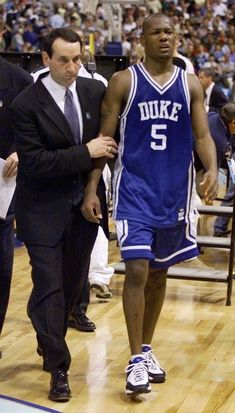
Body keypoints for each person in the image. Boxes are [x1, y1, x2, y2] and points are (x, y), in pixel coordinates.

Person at [81, 13, 218, 396]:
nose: (164, 38)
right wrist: (93, 188)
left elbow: (203, 134)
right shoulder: (124, 81)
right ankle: (135, 360)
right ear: (141, 39)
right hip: (133, 193)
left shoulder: (190, 84)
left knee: (158, 273)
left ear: (177, 39)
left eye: (169, 32)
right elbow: (105, 141)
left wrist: (211, 167)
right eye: (156, 32)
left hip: (173, 194)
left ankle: (145, 348)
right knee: (137, 269)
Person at [10, 28, 117, 402]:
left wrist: (92, 184)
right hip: (39, 209)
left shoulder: (93, 92)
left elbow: (106, 147)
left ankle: (44, 320)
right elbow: (36, 163)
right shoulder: (25, 104)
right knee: (52, 288)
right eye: (64, 61)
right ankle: (59, 368)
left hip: (83, 208)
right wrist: (86, 151)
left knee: (71, 287)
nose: (73, 68)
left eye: (78, 59)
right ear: (45, 60)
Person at [0, 18, 33, 358]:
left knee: (1, 268)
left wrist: (20, 151)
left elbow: (34, 132)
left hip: (2, 190)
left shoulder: (19, 80)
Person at [212, 103, 235, 237]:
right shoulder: (220, 141)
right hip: (224, 154)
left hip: (228, 150)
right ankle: (219, 228)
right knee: (233, 191)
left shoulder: (216, 116)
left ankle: (220, 227)